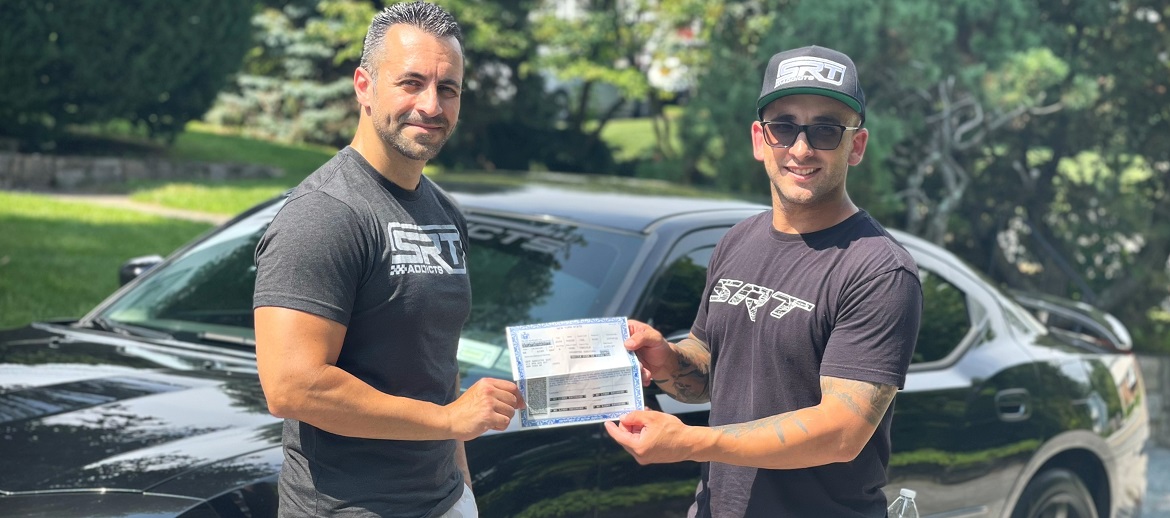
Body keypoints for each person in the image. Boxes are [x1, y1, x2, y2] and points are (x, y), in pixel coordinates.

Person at [605, 45, 923, 517]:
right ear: (760, 139)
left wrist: (692, 441)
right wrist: (667, 359)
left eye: (825, 130)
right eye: (784, 127)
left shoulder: (879, 269)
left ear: (855, 145)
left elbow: (842, 431)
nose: (800, 148)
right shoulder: (738, 240)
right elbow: (711, 369)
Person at [252, 2, 524, 517]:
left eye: (448, 89)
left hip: (441, 500)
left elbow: (435, 367)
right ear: (364, 86)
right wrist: (447, 421)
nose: (431, 105)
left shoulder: (443, 211)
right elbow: (293, 386)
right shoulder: (325, 214)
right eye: (411, 82)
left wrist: (461, 487)